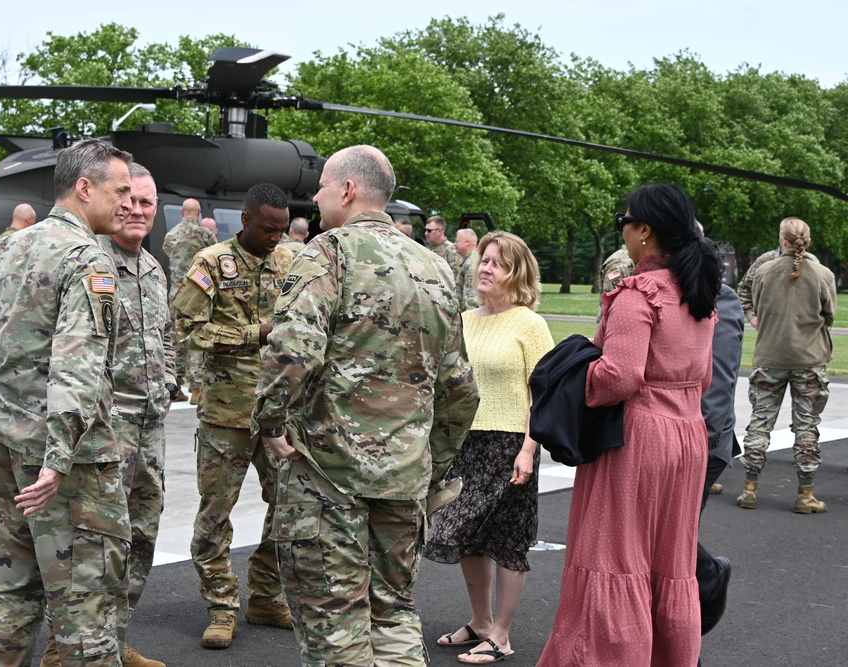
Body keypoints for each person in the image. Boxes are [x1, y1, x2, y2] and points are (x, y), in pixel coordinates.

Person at [251, 145, 479, 666]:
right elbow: (461, 389)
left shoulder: (326, 253)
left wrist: (269, 425)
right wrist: (430, 464)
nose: (315, 196)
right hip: (403, 480)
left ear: (348, 190)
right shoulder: (435, 267)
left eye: (323, 186)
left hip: (329, 479)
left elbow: (290, 353)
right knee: (394, 613)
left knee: (336, 624)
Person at [0, 138, 133, 666]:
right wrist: (59, 453)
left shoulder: (9, 245)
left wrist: (7, 387)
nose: (129, 204)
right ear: (84, 188)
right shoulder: (88, 257)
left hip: (5, 446)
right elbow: (79, 361)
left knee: (8, 590)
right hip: (68, 466)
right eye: (120, 191)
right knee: (85, 609)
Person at [537, 183, 722, 666]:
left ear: (644, 230)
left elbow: (620, 376)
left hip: (636, 439)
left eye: (625, 218)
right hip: (687, 436)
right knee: (672, 564)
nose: (622, 227)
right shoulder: (698, 294)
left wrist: (578, 376)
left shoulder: (638, 293)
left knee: (613, 560)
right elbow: (701, 378)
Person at [38, 163, 174, 667]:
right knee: (91, 548)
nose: (137, 210)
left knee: (140, 539)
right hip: (104, 430)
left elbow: (166, 335)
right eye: (130, 200)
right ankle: (65, 643)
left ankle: (113, 639)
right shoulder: (88, 262)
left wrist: (171, 380)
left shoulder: (154, 269)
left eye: (147, 203)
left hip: (151, 427)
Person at [173, 183, 295, 650]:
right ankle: (221, 606)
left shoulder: (290, 261)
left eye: (282, 230)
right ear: (245, 220)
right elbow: (187, 327)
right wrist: (253, 333)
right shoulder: (210, 263)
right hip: (227, 413)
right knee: (215, 515)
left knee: (288, 509)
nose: (275, 238)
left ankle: (266, 595)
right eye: (268, 229)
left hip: (278, 414)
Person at [425, 231, 553, 664]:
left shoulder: (530, 324)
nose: (484, 267)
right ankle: (480, 622)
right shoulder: (464, 319)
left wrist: (528, 450)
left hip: (509, 444)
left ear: (516, 272)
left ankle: (502, 634)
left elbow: (544, 395)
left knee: (507, 539)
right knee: (467, 535)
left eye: (496, 263)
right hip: (465, 441)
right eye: (484, 260)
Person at [737, 217, 836, 513]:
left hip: (770, 356)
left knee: (760, 422)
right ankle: (805, 495)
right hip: (809, 358)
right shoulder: (823, 274)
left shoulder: (764, 271)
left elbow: (752, 299)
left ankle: (749, 489)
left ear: (782, 239)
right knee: (806, 427)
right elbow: (828, 315)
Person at [696, 277, 742, 651]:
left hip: (703, 443)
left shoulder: (718, 297)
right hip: (665, 437)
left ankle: (709, 575)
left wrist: (701, 446)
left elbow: (719, 382)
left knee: (672, 540)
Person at [162, 198, 216, 403]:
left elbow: (169, 254)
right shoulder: (205, 234)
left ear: (183, 212)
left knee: (176, 340)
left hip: (175, 294)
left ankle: (176, 385)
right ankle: (196, 388)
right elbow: (214, 256)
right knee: (196, 338)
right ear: (199, 212)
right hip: (197, 293)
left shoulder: (171, 235)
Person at [736, 238, 817, 330]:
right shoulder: (765, 260)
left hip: (804, 328)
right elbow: (744, 289)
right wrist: (752, 316)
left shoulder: (812, 262)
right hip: (771, 328)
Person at [454, 227, 479, 312]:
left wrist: (468, 320)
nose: (454, 244)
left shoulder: (472, 263)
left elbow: (471, 297)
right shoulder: (470, 260)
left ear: (467, 243)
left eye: (457, 241)